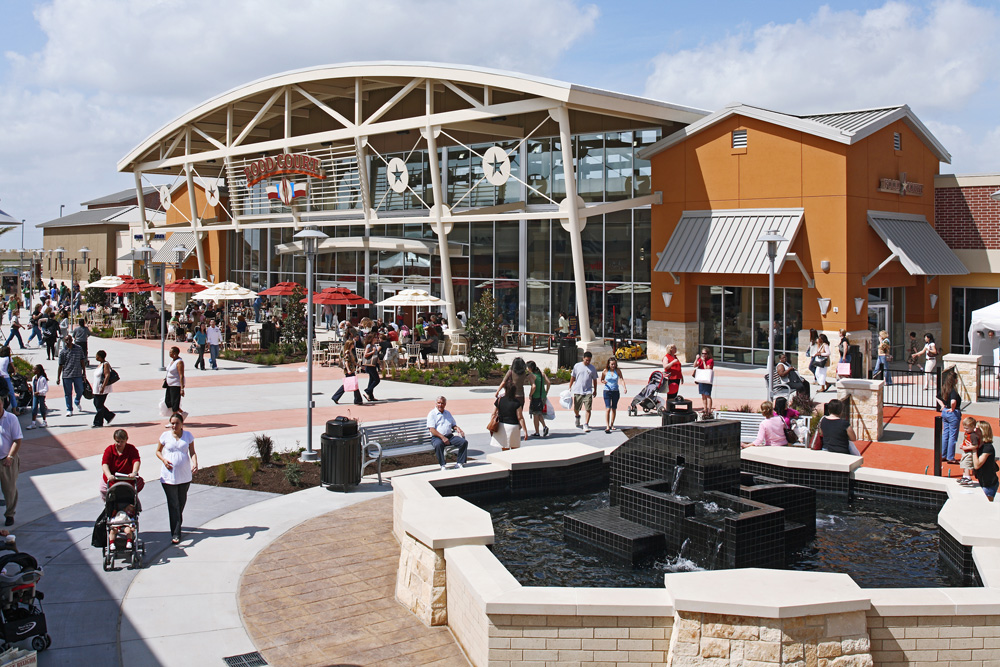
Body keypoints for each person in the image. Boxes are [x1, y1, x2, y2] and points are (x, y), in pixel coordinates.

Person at [157, 413, 197, 544]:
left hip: (184, 475)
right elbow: (158, 451)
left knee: (181, 502)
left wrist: (195, 462)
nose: (174, 426)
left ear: (182, 424)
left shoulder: (188, 436)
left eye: (176, 423)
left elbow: (192, 452)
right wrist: (164, 460)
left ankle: (177, 523)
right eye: (172, 423)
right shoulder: (165, 436)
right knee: (173, 504)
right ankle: (176, 533)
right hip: (169, 476)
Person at [426, 396, 468, 471]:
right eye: (439, 403)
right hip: (437, 437)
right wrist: (442, 437)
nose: (440, 405)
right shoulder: (432, 414)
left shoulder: (447, 413)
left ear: (445, 404)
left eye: (442, 403)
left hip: (450, 437)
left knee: (463, 442)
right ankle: (442, 465)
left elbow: (453, 425)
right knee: (438, 445)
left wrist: (457, 428)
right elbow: (432, 429)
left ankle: (459, 463)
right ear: (436, 403)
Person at [100, 428, 142, 500]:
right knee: (103, 490)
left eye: (122, 441)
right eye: (117, 441)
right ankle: (109, 506)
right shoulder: (109, 450)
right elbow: (105, 464)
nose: (119, 444)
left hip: (128, 478)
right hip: (112, 479)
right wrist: (109, 475)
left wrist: (134, 472)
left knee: (134, 490)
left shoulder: (131, 449)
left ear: (126, 440)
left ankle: (134, 505)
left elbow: (136, 461)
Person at [0, 398, 22, 526]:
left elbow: (17, 440)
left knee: (9, 489)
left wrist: (10, 457)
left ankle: (9, 514)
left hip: (6, 460)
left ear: (2, 404)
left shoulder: (11, 419)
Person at [492, 375, 527, 451]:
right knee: (515, 451)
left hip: (502, 427)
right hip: (514, 427)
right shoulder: (517, 402)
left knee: (505, 451)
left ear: (505, 390)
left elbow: (493, 413)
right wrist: (525, 431)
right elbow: (520, 418)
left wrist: (492, 425)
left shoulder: (499, 400)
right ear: (514, 391)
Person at [936, 369, 961, 463]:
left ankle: (943, 454)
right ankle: (950, 457)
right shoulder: (953, 390)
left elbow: (937, 397)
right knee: (952, 436)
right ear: (954, 380)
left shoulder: (944, 388)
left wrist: (943, 406)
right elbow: (953, 401)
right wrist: (953, 408)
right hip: (952, 414)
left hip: (945, 412)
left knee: (945, 434)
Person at [56, 334, 86, 415]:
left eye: (69, 340)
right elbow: (60, 365)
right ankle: (69, 409)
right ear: (64, 341)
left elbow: (82, 361)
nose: (68, 342)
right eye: (66, 340)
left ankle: (77, 401)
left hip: (77, 374)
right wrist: (58, 377)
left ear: (72, 340)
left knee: (80, 390)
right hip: (67, 375)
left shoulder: (78, 349)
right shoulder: (63, 352)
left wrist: (84, 373)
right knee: (68, 393)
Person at [571, 350, 599, 433]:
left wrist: (595, 390)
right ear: (583, 358)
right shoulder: (577, 366)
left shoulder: (592, 368)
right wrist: (570, 387)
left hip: (588, 391)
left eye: (589, 360)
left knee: (588, 409)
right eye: (586, 360)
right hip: (578, 390)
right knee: (576, 408)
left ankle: (586, 423)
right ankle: (577, 416)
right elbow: (573, 377)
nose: (588, 362)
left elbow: (595, 380)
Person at [331, 339, 363, 405]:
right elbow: (346, 362)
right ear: (350, 345)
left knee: (350, 384)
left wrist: (358, 365)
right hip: (349, 370)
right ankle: (358, 399)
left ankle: (336, 397)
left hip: (351, 369)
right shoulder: (347, 352)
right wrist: (348, 370)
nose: (353, 345)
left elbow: (352, 361)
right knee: (353, 384)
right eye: (352, 344)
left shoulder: (350, 352)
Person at [600, 357, 627, 433]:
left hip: (615, 391)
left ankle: (612, 424)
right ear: (609, 364)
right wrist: (603, 381)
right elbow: (601, 379)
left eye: (614, 364)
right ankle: (607, 426)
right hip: (607, 391)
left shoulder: (617, 371)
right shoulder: (605, 371)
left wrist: (624, 387)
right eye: (612, 364)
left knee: (614, 408)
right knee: (608, 408)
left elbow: (621, 379)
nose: (613, 365)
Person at [525, 360, 550, 438]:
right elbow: (548, 382)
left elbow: (534, 386)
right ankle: (544, 427)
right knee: (539, 413)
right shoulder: (542, 374)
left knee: (535, 414)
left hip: (536, 397)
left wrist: (530, 394)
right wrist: (546, 391)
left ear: (530, 368)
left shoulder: (531, 376)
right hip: (542, 396)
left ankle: (537, 432)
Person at [91, 349, 115, 428]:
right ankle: (109, 415)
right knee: (97, 403)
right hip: (97, 388)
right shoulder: (100, 364)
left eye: (97, 355)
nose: (96, 357)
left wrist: (103, 387)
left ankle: (98, 422)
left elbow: (107, 375)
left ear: (100, 357)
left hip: (102, 388)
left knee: (99, 405)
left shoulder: (105, 364)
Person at [957, 416, 981, 486]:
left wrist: (966, 447)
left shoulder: (973, 435)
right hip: (966, 451)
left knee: (966, 464)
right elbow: (966, 441)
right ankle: (964, 477)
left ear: (973, 427)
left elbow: (975, 446)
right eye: (964, 428)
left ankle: (968, 477)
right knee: (964, 464)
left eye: (967, 428)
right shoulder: (967, 433)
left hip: (969, 452)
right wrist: (963, 445)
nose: (965, 429)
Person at [164, 346, 185, 416]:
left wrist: (182, 388)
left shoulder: (179, 362)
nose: (169, 353)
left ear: (175, 353)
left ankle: (174, 418)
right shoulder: (172, 361)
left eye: (170, 352)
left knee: (174, 402)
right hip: (169, 384)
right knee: (168, 401)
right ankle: (182, 413)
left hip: (175, 385)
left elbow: (181, 375)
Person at [692, 347, 714, 417]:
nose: (703, 355)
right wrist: (696, 359)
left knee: (707, 395)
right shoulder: (700, 360)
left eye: (705, 353)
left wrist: (704, 361)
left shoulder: (710, 360)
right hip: (701, 379)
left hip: (707, 379)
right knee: (703, 394)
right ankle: (705, 408)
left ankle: (709, 410)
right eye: (702, 353)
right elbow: (694, 365)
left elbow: (706, 369)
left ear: (708, 354)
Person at [26, 365, 47, 430]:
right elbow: (34, 386)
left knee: (42, 408)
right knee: (34, 408)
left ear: (38, 371)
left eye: (34, 369)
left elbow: (46, 388)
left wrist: (39, 392)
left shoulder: (43, 379)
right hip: (35, 396)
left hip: (41, 395)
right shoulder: (34, 378)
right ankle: (33, 423)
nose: (33, 371)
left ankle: (44, 421)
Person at [361, 332, 380, 402]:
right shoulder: (369, 346)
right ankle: (368, 391)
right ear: (372, 338)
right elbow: (365, 355)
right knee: (377, 380)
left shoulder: (374, 345)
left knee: (371, 380)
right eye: (375, 337)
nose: (376, 339)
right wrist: (372, 352)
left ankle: (370, 396)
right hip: (369, 364)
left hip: (373, 364)